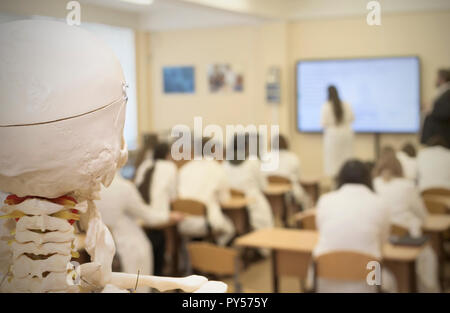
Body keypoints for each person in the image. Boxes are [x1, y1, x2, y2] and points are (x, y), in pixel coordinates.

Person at [313, 160, 395, 292]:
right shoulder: (380, 203)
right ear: (369, 179)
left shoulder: (325, 200)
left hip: (324, 279)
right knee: (391, 281)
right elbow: (382, 243)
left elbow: (321, 231)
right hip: (369, 280)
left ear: (339, 179)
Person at [372, 147, 439, 292]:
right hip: (405, 242)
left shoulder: (372, 185)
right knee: (429, 256)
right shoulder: (407, 186)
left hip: (378, 248)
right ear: (400, 169)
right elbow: (423, 216)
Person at [134, 142, 182, 276]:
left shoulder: (145, 165)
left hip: (139, 214)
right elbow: (173, 197)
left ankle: (152, 272)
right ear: (168, 155)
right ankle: (159, 273)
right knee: (163, 236)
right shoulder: (170, 167)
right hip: (157, 217)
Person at [177, 137, 235, 246]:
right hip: (206, 223)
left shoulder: (184, 169)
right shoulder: (217, 168)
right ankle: (212, 256)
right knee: (230, 230)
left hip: (183, 222)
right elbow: (225, 199)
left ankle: (198, 254)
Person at [222, 134, 274, 233]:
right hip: (254, 210)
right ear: (246, 146)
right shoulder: (253, 162)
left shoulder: (225, 164)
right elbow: (264, 186)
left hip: (232, 213)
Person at [264, 134, 310, 209]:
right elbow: (299, 178)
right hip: (290, 195)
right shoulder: (293, 157)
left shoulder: (266, 157)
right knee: (306, 199)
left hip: (269, 196)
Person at [321, 85, 355, 178]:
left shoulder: (326, 106)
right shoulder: (346, 104)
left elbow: (323, 123)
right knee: (346, 160)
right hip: (346, 134)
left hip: (332, 136)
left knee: (333, 164)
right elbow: (352, 118)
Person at [421, 69, 450, 145]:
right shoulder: (442, 92)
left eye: (437, 77)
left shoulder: (448, 93)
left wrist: (431, 110)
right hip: (434, 139)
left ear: (442, 79)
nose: (435, 80)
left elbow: (446, 112)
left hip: (441, 138)